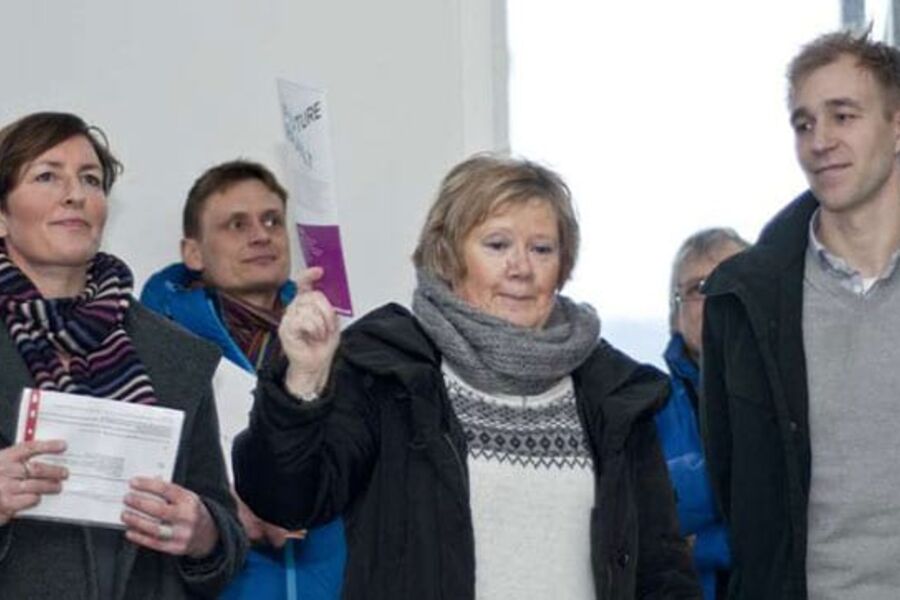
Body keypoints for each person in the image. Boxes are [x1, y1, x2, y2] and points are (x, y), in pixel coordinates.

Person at [233, 154, 700, 599]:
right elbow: (286, 499)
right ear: (449, 256)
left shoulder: (614, 391)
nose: (521, 268)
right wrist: (304, 379)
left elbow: (661, 569)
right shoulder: (388, 368)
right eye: (497, 245)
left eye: (541, 248)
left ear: (563, 265)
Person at [0, 112, 246, 597]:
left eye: (90, 179)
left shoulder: (176, 353)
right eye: (47, 176)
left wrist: (204, 532)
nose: (75, 194)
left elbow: (223, 527)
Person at [702, 30, 900, 599]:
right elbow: (732, 481)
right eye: (804, 123)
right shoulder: (741, 300)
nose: (820, 141)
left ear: (895, 125)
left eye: (843, 116)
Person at [141, 160, 346, 600]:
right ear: (193, 253)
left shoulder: (333, 338)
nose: (260, 235)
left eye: (272, 221)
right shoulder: (151, 345)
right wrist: (223, 507)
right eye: (236, 224)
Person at [656, 228, 748, 600]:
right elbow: (650, 520)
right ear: (675, 316)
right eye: (697, 287)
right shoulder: (645, 407)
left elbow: (806, 523)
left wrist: (700, 545)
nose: (713, 296)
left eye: (730, 278)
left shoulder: (803, 393)